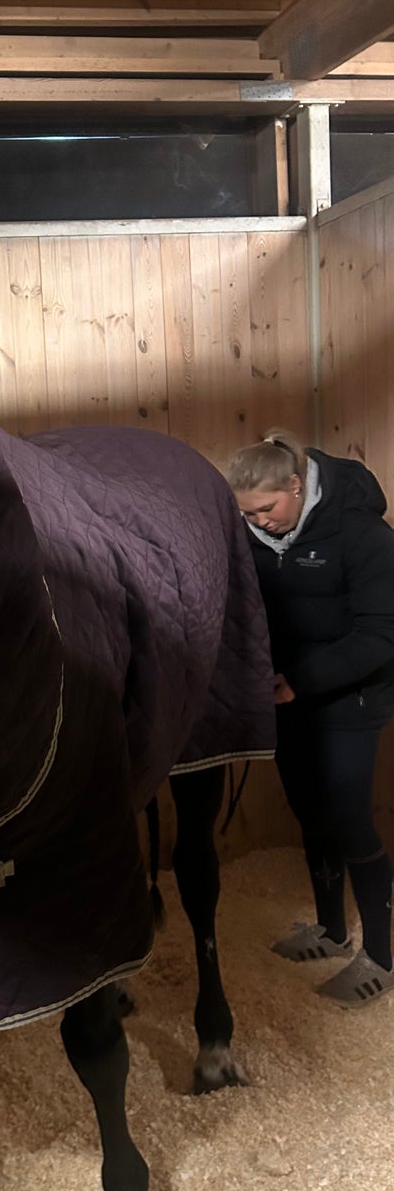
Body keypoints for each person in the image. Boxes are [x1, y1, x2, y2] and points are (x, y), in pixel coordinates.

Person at [226, 430, 394, 1008]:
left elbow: (382, 635)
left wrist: (302, 681)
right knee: (311, 815)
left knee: (350, 821)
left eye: (266, 509)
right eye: (246, 514)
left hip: (352, 701)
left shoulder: (364, 535)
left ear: (296, 486)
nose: (258, 523)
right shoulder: (251, 535)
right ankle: (330, 930)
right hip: (287, 696)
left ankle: (380, 956)